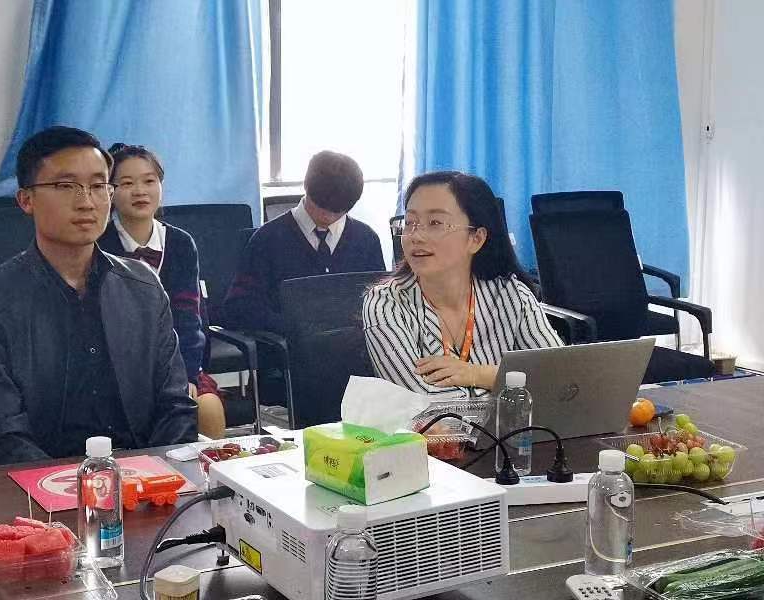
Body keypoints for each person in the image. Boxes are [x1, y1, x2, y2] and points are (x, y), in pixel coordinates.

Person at [0, 126, 197, 467]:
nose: (86, 201)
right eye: (65, 186)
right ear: (26, 200)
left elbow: (175, 407)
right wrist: (77, 486)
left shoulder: (144, 288)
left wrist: (155, 474)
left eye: (98, 186)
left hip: (142, 476)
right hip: (35, 485)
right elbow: (1, 435)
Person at [362, 171, 563, 397]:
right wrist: (513, 382)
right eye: (410, 223)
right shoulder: (386, 303)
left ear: (476, 239)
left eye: (435, 223)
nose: (415, 236)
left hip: (514, 421)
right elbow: (423, 402)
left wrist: (478, 374)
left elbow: (560, 377)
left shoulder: (511, 294)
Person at [98, 143, 226, 438]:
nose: (140, 191)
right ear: (109, 191)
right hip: (118, 367)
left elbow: (189, 318)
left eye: (149, 180)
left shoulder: (181, 243)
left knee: (207, 407)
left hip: (176, 362)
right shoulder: (99, 243)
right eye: (126, 183)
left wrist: (188, 374)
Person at [222, 150, 385, 335]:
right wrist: (293, 327)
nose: (328, 217)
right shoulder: (266, 240)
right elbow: (239, 307)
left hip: (352, 346)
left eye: (338, 211)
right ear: (306, 185)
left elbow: (379, 303)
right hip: (286, 346)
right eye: (321, 207)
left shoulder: (366, 239)